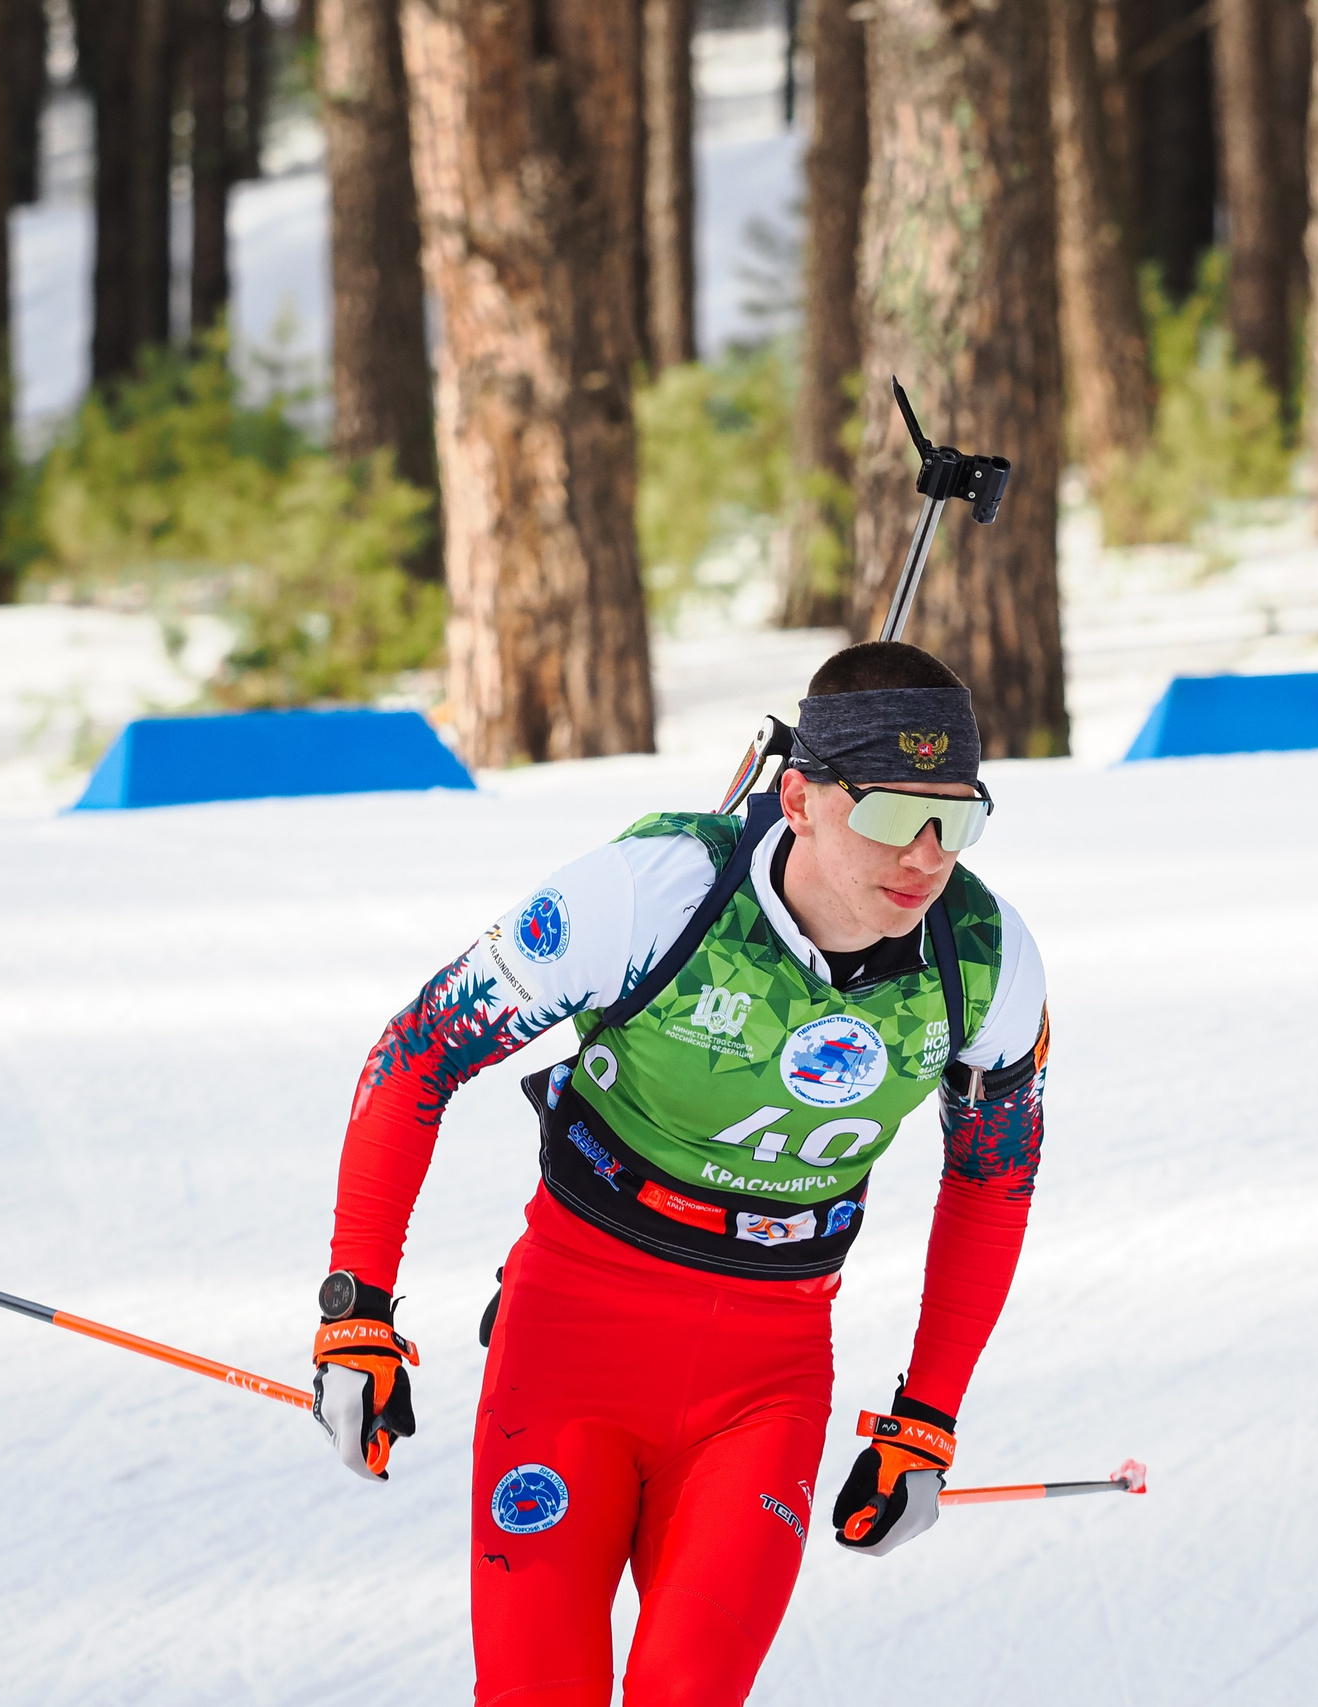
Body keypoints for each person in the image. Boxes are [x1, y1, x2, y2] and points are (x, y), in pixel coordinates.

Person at [311, 642, 1051, 1706]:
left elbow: (993, 1183)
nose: (927, 856)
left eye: (957, 819)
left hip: (766, 1377)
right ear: (797, 799)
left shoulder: (983, 958)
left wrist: (926, 1418)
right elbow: (418, 1052)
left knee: (686, 1688)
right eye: (894, 813)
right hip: (570, 1341)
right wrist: (357, 1311)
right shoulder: (656, 890)